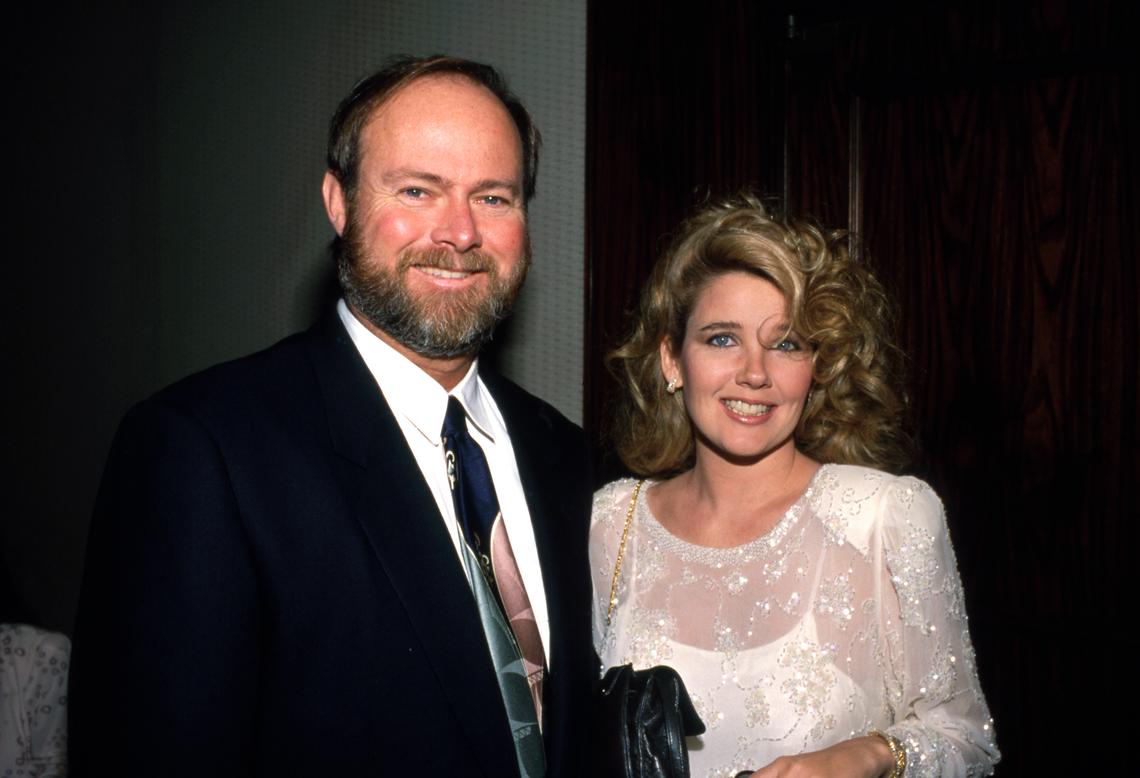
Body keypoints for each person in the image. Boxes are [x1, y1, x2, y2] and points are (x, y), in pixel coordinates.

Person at [70, 55, 593, 776]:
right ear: (338, 202)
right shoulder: (204, 451)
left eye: (495, 198)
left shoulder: (570, 460)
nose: (461, 232)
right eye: (417, 190)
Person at [592, 194, 1000, 777]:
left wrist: (864, 757)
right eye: (722, 338)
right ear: (672, 361)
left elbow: (967, 742)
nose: (755, 373)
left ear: (817, 368)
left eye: (785, 343)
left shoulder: (887, 516)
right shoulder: (612, 523)